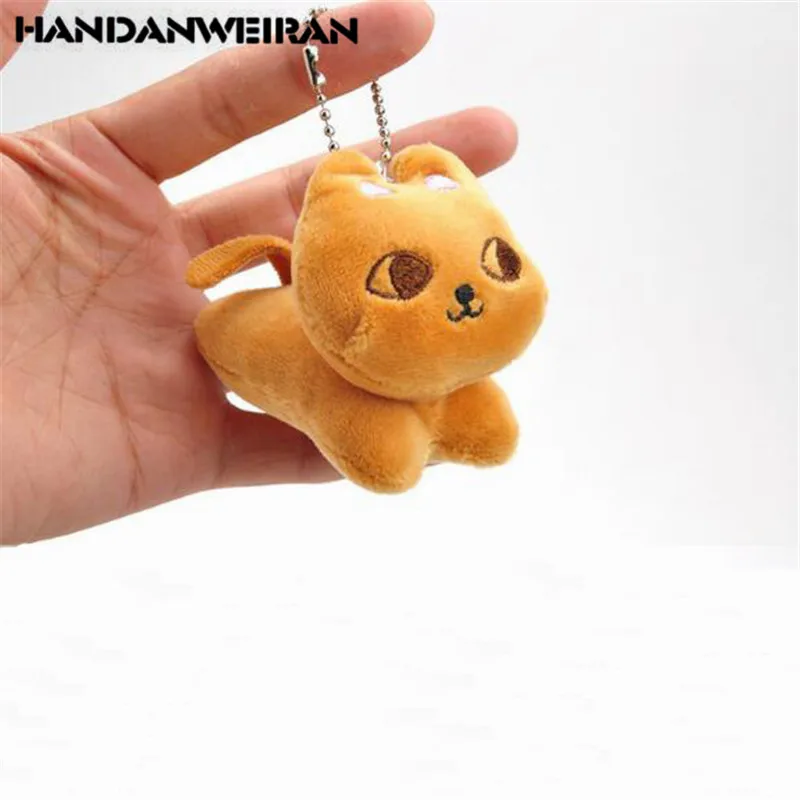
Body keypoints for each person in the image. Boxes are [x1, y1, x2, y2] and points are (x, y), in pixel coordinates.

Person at [0, 0, 518, 545]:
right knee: (382, 440)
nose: (470, 292)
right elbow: (384, 459)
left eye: (502, 265)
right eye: (405, 279)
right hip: (245, 333)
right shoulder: (250, 332)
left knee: (471, 421)